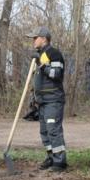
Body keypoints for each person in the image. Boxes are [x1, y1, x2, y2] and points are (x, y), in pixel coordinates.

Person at [28, 27, 67, 172]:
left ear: (44, 38)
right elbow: (38, 81)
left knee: (53, 130)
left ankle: (60, 162)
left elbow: (56, 73)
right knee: (44, 131)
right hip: (42, 101)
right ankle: (51, 157)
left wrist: (41, 64)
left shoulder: (53, 53)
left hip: (53, 100)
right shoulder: (40, 55)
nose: (33, 41)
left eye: (35, 37)